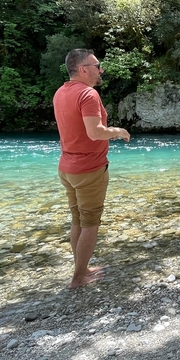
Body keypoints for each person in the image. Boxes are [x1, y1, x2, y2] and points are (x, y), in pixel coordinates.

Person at [53, 49, 131, 288]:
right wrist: (118, 131)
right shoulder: (88, 94)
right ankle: (78, 278)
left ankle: (82, 268)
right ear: (83, 69)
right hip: (88, 169)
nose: (101, 70)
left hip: (67, 168)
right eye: (97, 66)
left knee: (77, 219)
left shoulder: (61, 92)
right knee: (90, 223)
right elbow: (95, 132)